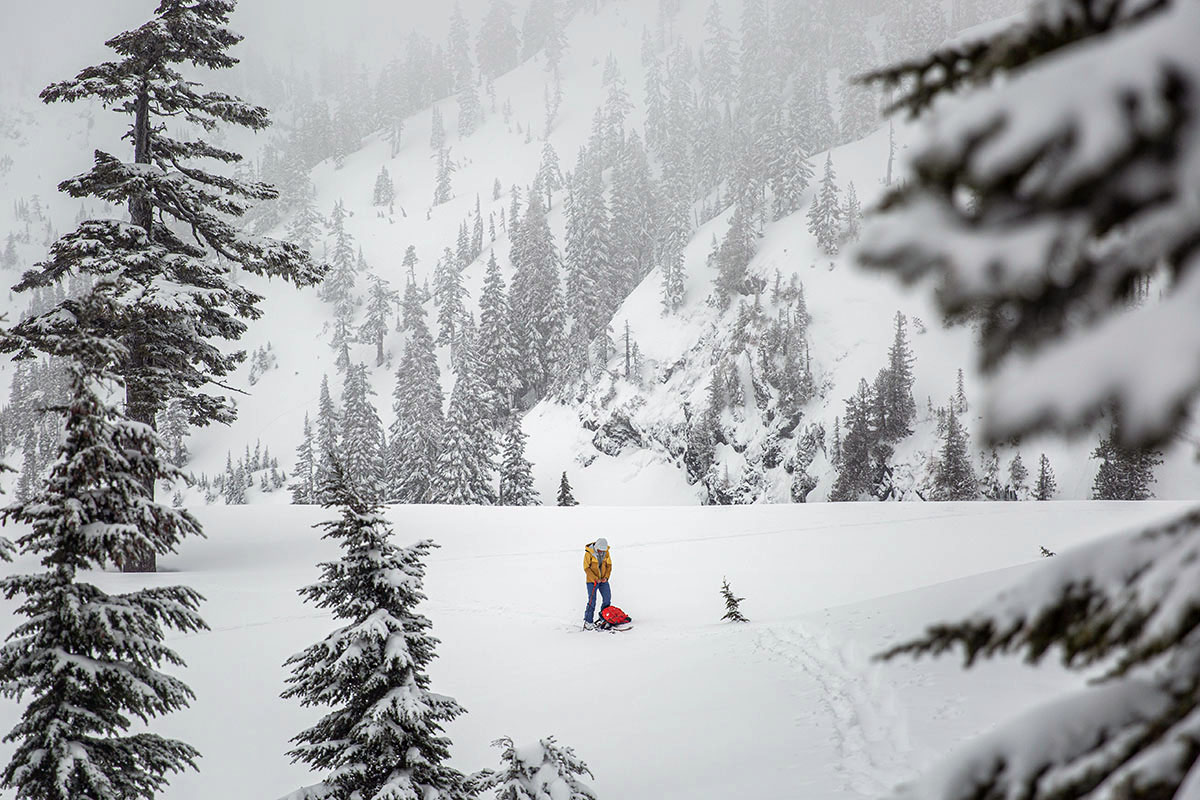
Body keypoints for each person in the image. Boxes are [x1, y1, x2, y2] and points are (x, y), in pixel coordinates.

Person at [583, 537, 612, 630]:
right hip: (592, 581)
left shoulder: (606, 552)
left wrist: (606, 577)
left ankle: (604, 618)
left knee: (607, 599)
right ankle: (588, 621)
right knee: (592, 601)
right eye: (600, 550)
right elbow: (586, 568)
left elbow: (609, 566)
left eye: (602, 550)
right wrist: (595, 578)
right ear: (596, 547)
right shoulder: (589, 553)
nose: (601, 552)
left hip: (603, 580)